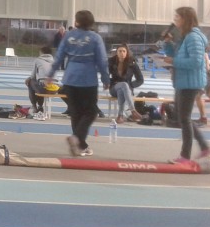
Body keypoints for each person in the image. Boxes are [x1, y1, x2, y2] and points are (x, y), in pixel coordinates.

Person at [47, 10, 109, 157]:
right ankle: (77, 139)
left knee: (76, 112)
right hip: (87, 79)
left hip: (70, 78)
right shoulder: (95, 38)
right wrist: (106, 79)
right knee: (91, 112)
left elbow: (59, 57)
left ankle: (80, 145)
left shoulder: (69, 36)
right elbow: (102, 61)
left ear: (77, 22)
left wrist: (51, 74)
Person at [162, 7, 210, 163]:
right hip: (182, 82)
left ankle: (185, 156)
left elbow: (197, 62)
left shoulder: (193, 37)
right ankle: (204, 147)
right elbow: (175, 54)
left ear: (185, 19)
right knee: (183, 117)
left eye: (177, 17)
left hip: (190, 83)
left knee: (184, 119)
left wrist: (174, 62)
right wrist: (167, 43)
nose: (175, 20)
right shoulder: (185, 37)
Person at [108, 44, 144, 123]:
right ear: (116, 52)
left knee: (123, 89)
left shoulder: (132, 63)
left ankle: (120, 116)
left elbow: (140, 79)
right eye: (120, 51)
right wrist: (109, 82)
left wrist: (130, 85)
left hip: (127, 90)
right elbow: (105, 75)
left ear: (127, 52)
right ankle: (133, 111)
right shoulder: (111, 61)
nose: (122, 53)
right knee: (123, 85)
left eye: (124, 51)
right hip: (114, 88)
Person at [25, 45, 54, 120]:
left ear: (42, 52)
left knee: (30, 82)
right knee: (38, 84)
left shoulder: (38, 60)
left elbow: (33, 75)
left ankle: (35, 106)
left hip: (44, 88)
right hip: (55, 88)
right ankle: (40, 106)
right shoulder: (55, 61)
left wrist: (28, 79)